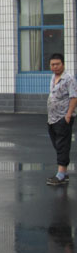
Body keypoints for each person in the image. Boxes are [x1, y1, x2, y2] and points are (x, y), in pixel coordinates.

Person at [46, 53, 77, 186]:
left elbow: (74, 97)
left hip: (63, 118)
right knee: (58, 144)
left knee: (62, 145)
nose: (55, 67)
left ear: (63, 64)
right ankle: (63, 172)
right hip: (52, 118)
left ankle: (61, 175)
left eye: (57, 64)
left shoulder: (69, 79)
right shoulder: (53, 77)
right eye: (52, 64)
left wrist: (68, 115)